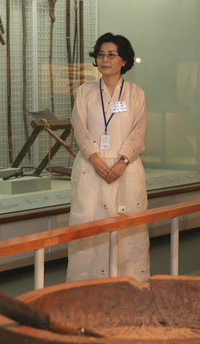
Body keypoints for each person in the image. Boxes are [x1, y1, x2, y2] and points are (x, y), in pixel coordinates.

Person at [67, 32, 150, 283]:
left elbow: (139, 131)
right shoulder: (85, 92)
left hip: (126, 169)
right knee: (88, 232)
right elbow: (79, 127)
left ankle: (131, 288)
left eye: (111, 55)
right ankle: (86, 290)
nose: (105, 59)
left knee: (129, 234)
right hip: (91, 168)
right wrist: (95, 159)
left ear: (123, 60)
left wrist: (123, 161)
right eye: (101, 54)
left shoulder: (136, 94)